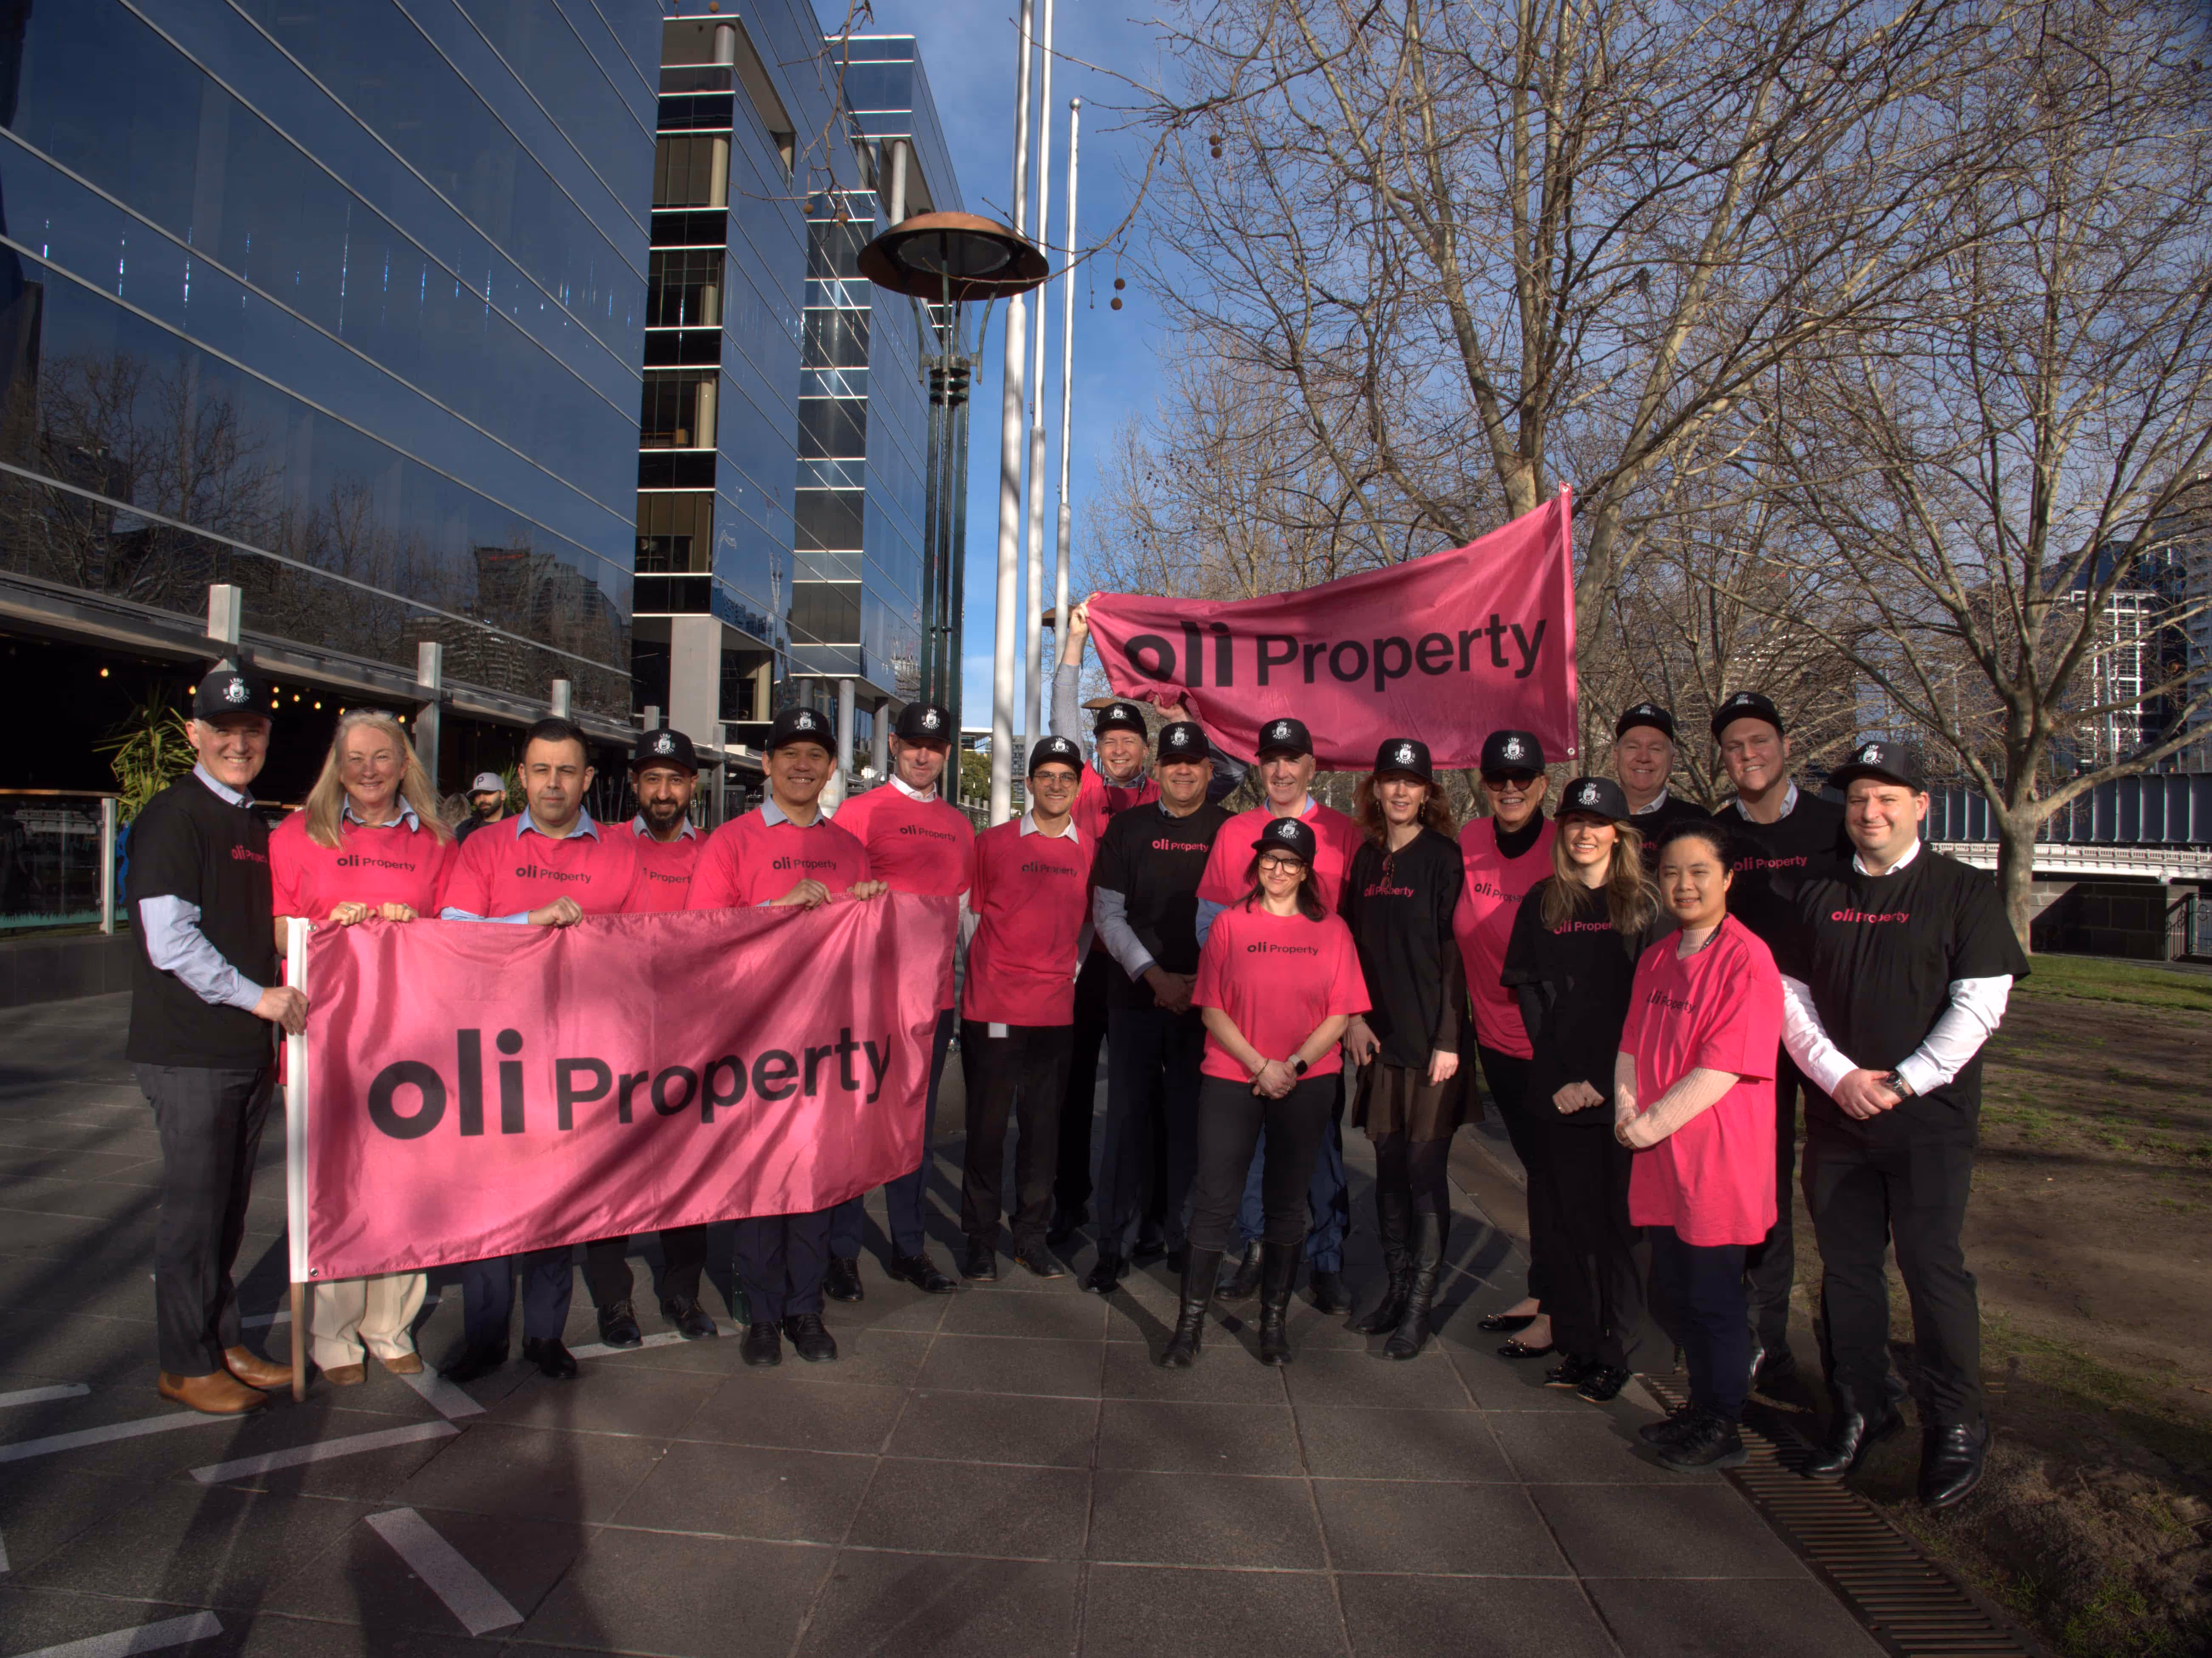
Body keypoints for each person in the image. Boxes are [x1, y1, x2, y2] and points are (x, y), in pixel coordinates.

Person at [1776, 740, 2026, 1509]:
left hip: (1929, 1122)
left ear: (1920, 804)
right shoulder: (1814, 886)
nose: (1868, 811)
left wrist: (1904, 1079)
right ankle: (1860, 1403)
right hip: (1838, 1116)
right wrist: (1840, 1077)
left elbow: (1979, 1002)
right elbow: (1789, 999)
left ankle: (1955, 1421)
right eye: (1857, 799)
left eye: (1886, 797)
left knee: (1930, 1266)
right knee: (1846, 1272)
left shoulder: (1961, 890)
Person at [439, 715, 643, 1384]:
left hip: (581, 1055)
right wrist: (532, 921)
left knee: (559, 1200)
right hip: (493, 1053)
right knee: (490, 1201)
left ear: (588, 779)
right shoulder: (484, 848)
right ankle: (485, 1335)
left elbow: (655, 943)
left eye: (567, 771)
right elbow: (456, 933)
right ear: (521, 775)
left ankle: (546, 1336)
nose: (553, 783)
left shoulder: (621, 852)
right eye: (541, 770)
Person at [127, 666, 306, 1415]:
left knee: (228, 1209)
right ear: (195, 734)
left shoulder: (249, 820)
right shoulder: (176, 814)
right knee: (195, 1211)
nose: (239, 742)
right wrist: (259, 995)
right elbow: (171, 940)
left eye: (252, 730)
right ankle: (185, 1360)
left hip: (240, 1050)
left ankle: (220, 1337)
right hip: (191, 1047)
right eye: (223, 730)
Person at [687, 705, 885, 1366]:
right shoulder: (732, 842)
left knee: (813, 1188)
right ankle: (763, 1317)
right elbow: (701, 941)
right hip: (754, 1046)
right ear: (766, 765)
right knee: (761, 1188)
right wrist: (775, 910)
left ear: (831, 769)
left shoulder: (849, 848)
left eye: (816, 756)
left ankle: (806, 1312)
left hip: (826, 1048)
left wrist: (875, 915)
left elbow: (868, 954)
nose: (803, 766)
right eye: (789, 754)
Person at [269, 709, 453, 1386]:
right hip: (327, 1041)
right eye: (356, 759)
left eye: (383, 757)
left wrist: (416, 930)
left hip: (411, 1039)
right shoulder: (298, 834)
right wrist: (320, 928)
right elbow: (280, 938)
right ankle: (335, 1332)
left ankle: (390, 1322)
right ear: (336, 767)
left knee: (406, 1187)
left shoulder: (435, 840)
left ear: (405, 763)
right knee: (336, 1188)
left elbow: (456, 937)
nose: (369, 771)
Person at [1167, 817, 1368, 1367]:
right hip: (1234, 1076)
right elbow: (1212, 1007)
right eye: (1269, 861)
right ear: (1257, 867)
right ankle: (1189, 1325)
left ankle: (1273, 1323)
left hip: (1306, 1081)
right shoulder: (1231, 925)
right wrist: (1260, 1064)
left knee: (1285, 1204)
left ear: (1306, 872)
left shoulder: (1332, 931)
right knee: (1214, 1199)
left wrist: (1293, 1065)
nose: (1277, 871)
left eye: (1290, 863)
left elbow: (1340, 1012)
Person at [1616, 817, 1784, 1471]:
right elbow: (1630, 1043)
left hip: (1716, 1156)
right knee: (1677, 1290)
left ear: (1727, 879)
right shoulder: (1661, 954)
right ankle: (1701, 1405)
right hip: (1661, 1156)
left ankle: (1724, 1421)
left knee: (1714, 1300)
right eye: (1671, 873)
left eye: (1698, 873)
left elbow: (1722, 1067)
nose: (1683, 885)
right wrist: (1629, 1109)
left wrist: (1648, 1125)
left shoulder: (1747, 958)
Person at [1501, 776, 1668, 1404]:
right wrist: (1564, 1078)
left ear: (1619, 833)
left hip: (1626, 1091)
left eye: (1596, 822)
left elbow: (1653, 1009)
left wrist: (1603, 1082)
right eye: (1573, 821)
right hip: (1561, 1091)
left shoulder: (1647, 907)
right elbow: (1534, 999)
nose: (1583, 832)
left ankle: (1619, 1349)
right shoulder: (1544, 903)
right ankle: (1578, 1341)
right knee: (1571, 1225)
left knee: (1621, 1230)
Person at [1194, 716, 1364, 1310]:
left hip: (1316, 1035)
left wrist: (1355, 1015)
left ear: (1313, 767)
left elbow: (1355, 935)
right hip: (1246, 1031)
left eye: (1293, 759)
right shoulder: (1237, 830)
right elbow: (1209, 924)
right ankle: (1259, 1253)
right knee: (1252, 1157)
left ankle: (1324, 1259)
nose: (1282, 770)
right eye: (1271, 759)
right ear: (1260, 766)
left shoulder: (1344, 833)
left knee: (1319, 1153)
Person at [1713, 689, 1851, 1389]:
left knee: (1835, 1195)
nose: (1747, 755)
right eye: (1734, 747)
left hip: (1837, 1034)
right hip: (1750, 1037)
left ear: (1783, 744)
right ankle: (1765, 1338)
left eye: (1758, 741)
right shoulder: (1715, 836)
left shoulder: (1837, 823)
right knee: (1758, 1186)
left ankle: (1852, 1360)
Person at [824, 701, 972, 1299]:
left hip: (932, 1004)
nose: (922, 754)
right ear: (893, 746)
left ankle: (909, 1248)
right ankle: (840, 1253)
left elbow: (962, 917)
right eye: (914, 743)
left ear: (946, 754)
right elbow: (836, 907)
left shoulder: (961, 826)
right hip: (867, 1003)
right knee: (855, 1126)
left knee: (914, 1129)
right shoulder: (857, 815)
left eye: (934, 747)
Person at [579, 727, 719, 1348]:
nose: (664, 792)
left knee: (686, 1175)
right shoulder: (602, 847)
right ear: (635, 784)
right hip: (611, 1037)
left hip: (689, 1039)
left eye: (675, 779)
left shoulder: (714, 853)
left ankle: (682, 1295)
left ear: (694, 785)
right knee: (609, 1174)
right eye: (652, 779)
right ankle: (614, 1303)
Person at [1084, 719, 1230, 1294]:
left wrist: (1199, 984)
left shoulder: (1231, 830)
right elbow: (1108, 915)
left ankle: (1183, 1240)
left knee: (1193, 1127)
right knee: (1126, 1122)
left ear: (1209, 771)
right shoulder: (1127, 828)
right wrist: (1156, 976)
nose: (1184, 771)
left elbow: (1244, 912)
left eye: (1193, 763)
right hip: (1136, 996)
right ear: (1158, 770)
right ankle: (1113, 1244)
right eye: (1173, 763)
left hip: (1207, 1005)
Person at [1340, 738, 1465, 1359]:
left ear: (1427, 792)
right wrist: (1354, 1018)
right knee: (1388, 1167)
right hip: (1376, 1042)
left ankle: (1420, 1306)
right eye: (1389, 780)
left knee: (1424, 1171)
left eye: (1411, 782)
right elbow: (1346, 948)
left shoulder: (1444, 858)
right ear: (1375, 789)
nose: (1399, 792)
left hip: (1430, 1047)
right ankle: (1394, 1290)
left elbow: (1453, 954)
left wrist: (1449, 1039)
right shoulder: (1365, 860)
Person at [960, 735, 1095, 1281]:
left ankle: (1030, 1238)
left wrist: (1067, 972)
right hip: (992, 1007)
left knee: (1043, 1134)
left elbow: (1088, 927)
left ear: (1079, 788)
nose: (1057, 786)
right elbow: (969, 917)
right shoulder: (991, 843)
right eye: (1047, 776)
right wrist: (991, 974)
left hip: (1055, 1013)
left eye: (1067, 777)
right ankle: (978, 1238)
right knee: (987, 1131)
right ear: (1029, 783)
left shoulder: (1091, 851)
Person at [1049, 600, 1161, 1249]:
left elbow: (1224, 767)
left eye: (1129, 742)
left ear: (1145, 749)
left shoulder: (1163, 794)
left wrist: (1172, 704)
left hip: (1142, 961)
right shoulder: (1085, 787)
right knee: (1071, 1089)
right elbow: (1064, 708)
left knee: (1142, 1093)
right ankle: (1071, 1202)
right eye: (1109, 742)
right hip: (1085, 961)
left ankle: (1146, 1209)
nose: (1118, 749)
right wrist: (1075, 642)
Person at [1454, 729, 1560, 1356]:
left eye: (1523, 780)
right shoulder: (1469, 841)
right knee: (1536, 1177)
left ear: (1542, 785)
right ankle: (1543, 1291)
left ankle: (1563, 1312)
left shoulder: (1562, 846)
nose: (1511, 789)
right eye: (1499, 780)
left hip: (1554, 1047)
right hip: (1497, 1044)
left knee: (1558, 1179)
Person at [1611, 703, 1710, 860]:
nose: (1643, 757)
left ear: (1672, 760)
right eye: (1632, 747)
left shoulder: (1697, 822)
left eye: (1656, 749)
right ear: (1616, 756)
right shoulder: (1594, 822)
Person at [454, 771, 509, 844]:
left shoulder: (516, 829)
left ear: (503, 795)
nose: (482, 799)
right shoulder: (464, 829)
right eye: (477, 795)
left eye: (488, 793)